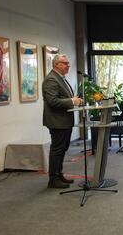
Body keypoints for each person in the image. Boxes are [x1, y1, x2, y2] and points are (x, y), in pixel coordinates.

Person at [43, 54, 82, 188]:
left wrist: (74, 99)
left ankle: (59, 174)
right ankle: (53, 179)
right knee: (57, 150)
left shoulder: (60, 78)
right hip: (57, 121)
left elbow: (62, 98)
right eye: (65, 63)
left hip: (64, 121)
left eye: (68, 63)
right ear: (56, 65)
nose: (68, 65)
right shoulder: (51, 80)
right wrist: (72, 101)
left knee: (62, 149)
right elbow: (52, 101)